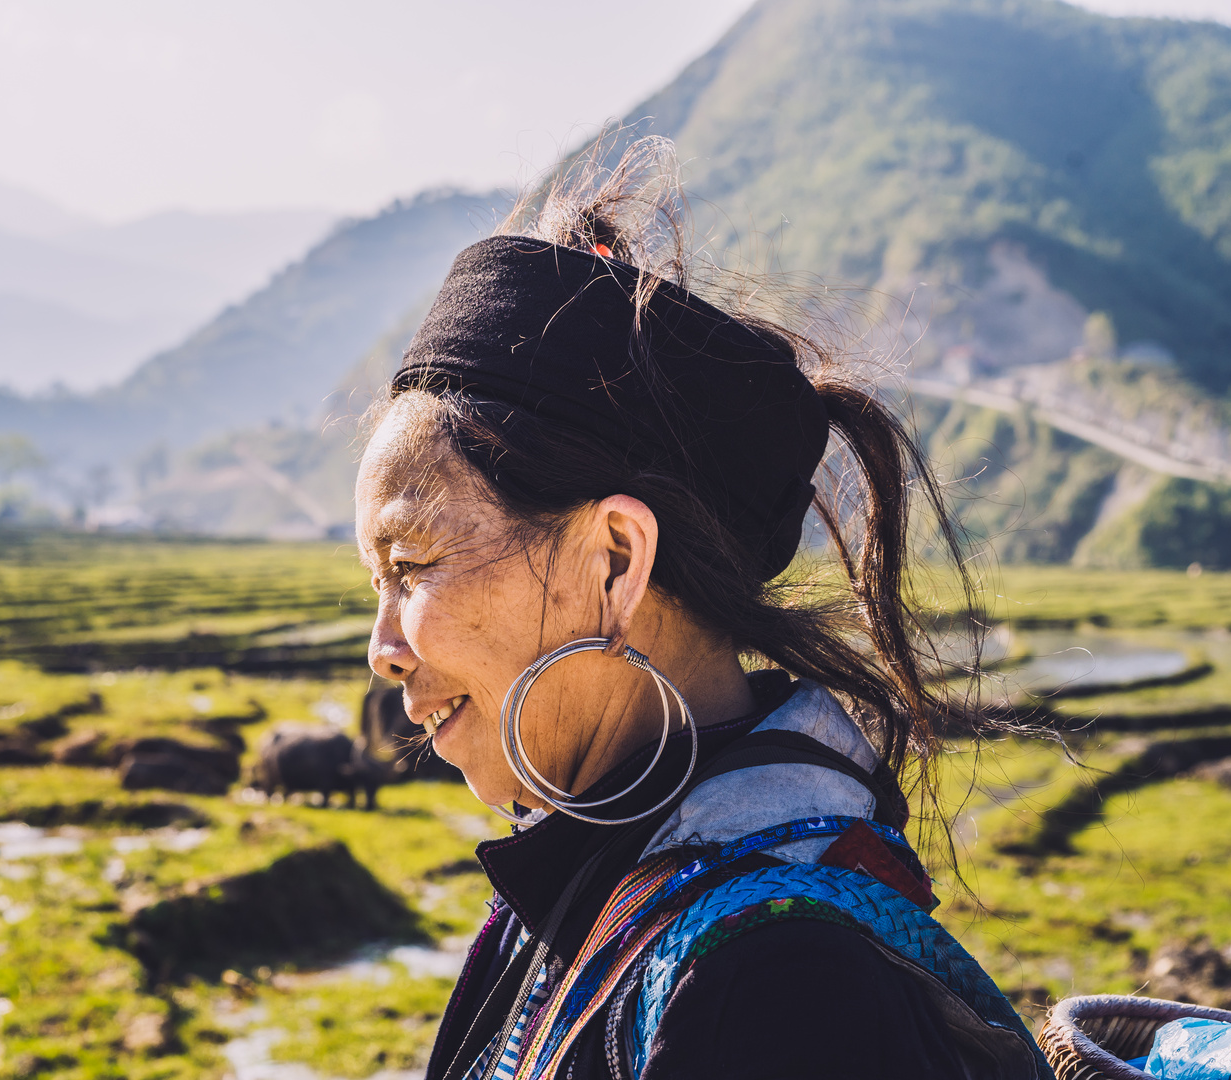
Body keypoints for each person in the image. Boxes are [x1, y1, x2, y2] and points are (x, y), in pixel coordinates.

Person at [355, 139, 1052, 1080]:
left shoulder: (778, 992)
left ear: (614, 560)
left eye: (412, 564)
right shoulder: (582, 885)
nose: (383, 649)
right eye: (376, 584)